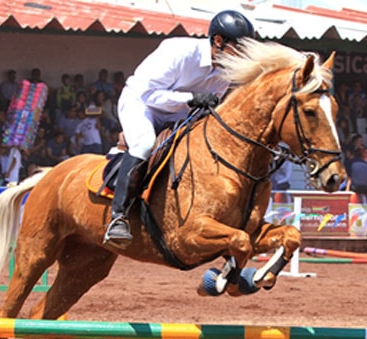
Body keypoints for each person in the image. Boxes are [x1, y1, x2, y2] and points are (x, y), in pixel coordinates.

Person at [103, 9, 255, 248]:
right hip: (141, 105)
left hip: (179, 112)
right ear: (218, 41)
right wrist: (191, 98)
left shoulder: (227, 70)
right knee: (143, 144)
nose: (242, 55)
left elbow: (208, 104)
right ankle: (118, 217)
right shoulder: (179, 52)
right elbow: (148, 94)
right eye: (239, 48)